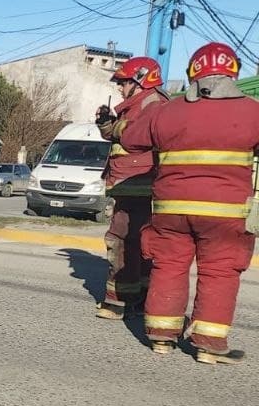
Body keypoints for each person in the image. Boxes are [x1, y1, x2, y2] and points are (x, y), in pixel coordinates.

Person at [121, 42, 259, 364]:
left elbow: (130, 139)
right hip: (225, 214)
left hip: (171, 210)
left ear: (193, 73)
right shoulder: (252, 110)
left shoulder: (168, 110)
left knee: (169, 265)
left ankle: (161, 337)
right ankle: (208, 344)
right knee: (220, 271)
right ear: (233, 73)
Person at [93, 56, 169, 320]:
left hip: (138, 182)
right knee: (139, 241)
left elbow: (136, 135)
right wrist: (106, 123)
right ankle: (138, 296)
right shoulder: (136, 104)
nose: (120, 88)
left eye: (124, 82)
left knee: (121, 240)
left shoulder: (153, 103)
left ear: (140, 80)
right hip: (130, 181)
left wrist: (115, 127)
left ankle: (118, 301)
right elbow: (118, 135)